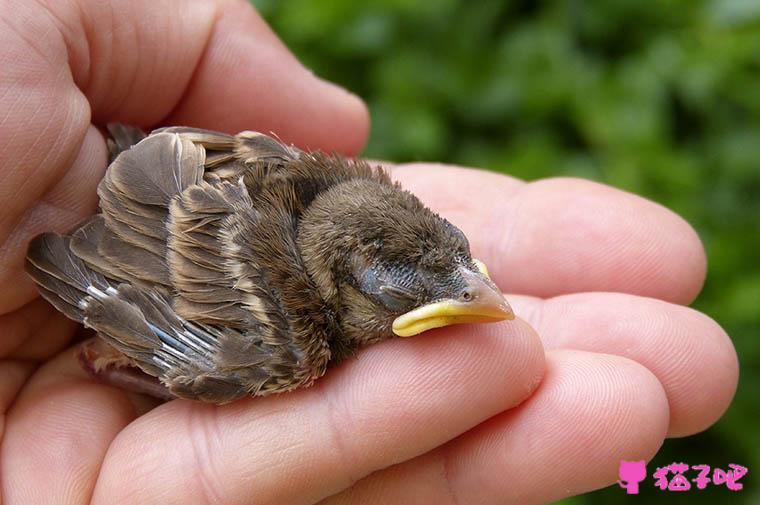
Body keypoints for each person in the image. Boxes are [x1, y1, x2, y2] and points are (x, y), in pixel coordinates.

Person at [0, 0, 738, 503]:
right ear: (344, 287)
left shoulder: (347, 193)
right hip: (132, 222)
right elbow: (178, 328)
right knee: (237, 364)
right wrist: (122, 336)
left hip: (162, 174)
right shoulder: (291, 337)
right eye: (394, 289)